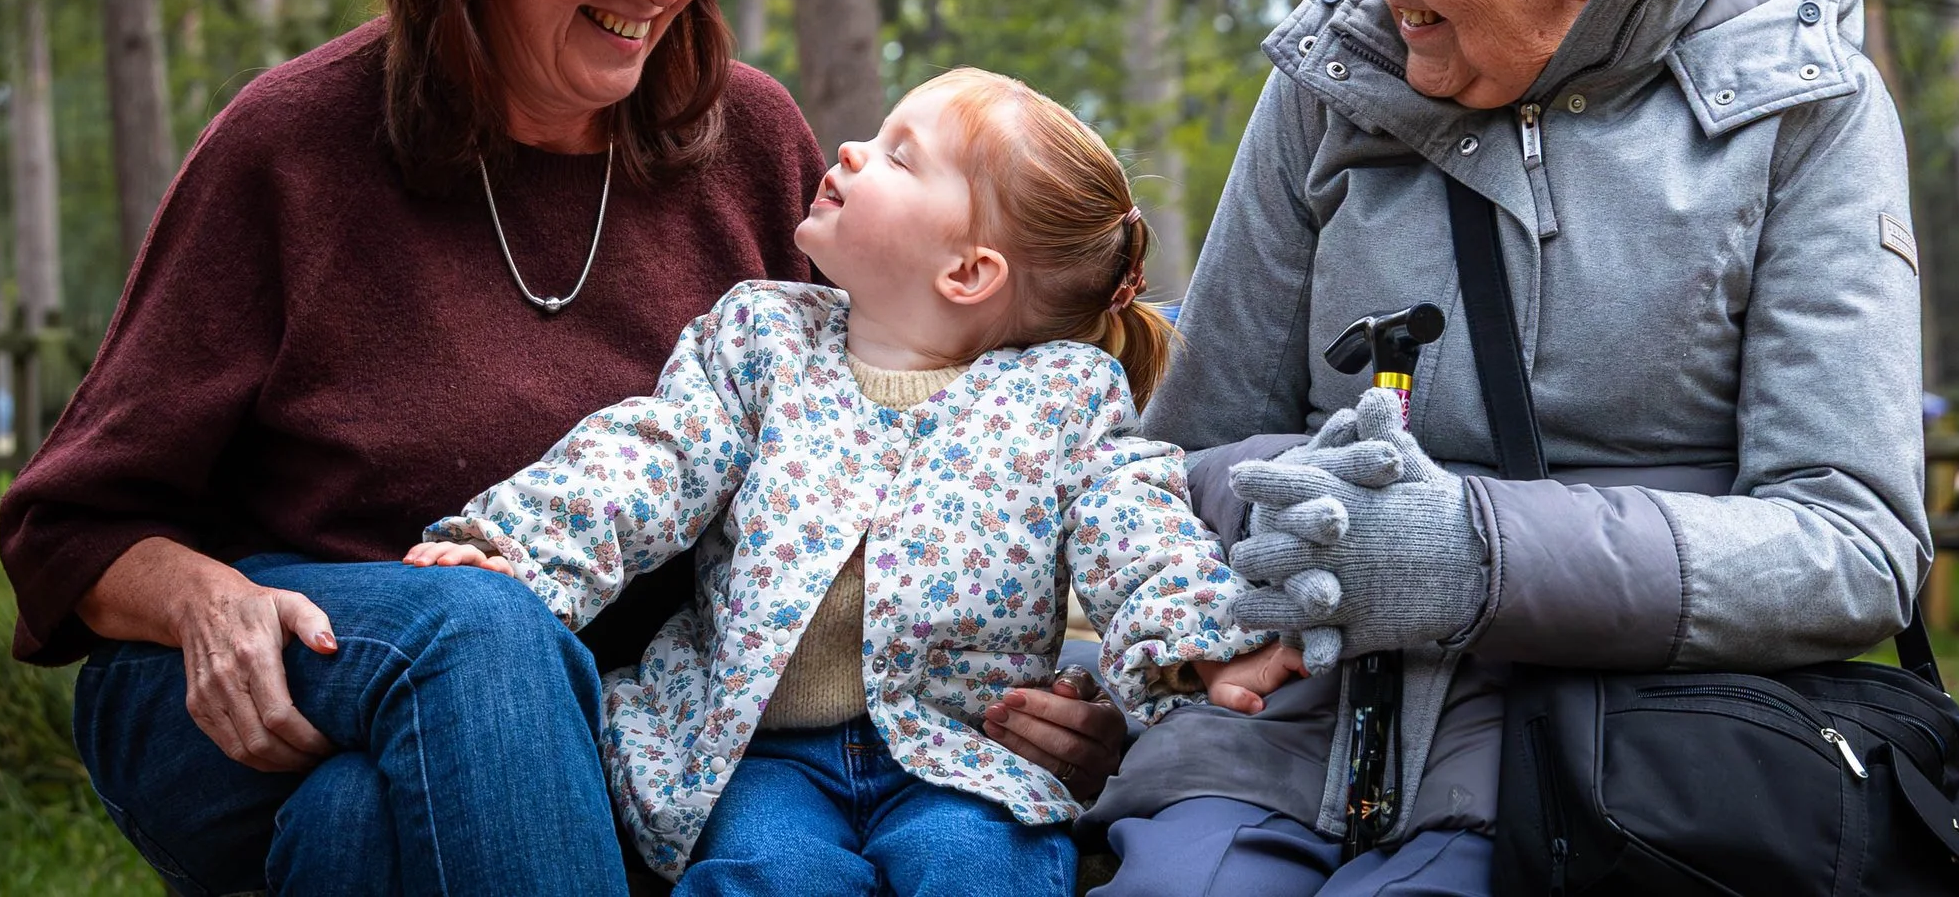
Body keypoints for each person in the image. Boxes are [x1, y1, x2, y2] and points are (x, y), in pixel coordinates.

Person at [0, 0, 1123, 897]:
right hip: (268, 684)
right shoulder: (291, 148)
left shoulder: (747, 145)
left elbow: (937, 444)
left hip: (613, 732)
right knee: (481, 631)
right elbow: (68, 529)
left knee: (358, 830)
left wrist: (1049, 700)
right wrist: (202, 595)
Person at [1086, 0, 1933, 897]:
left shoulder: (1807, 109)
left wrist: (1473, 552)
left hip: (1597, 763)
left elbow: (1853, 547)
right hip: (1272, 737)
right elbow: (1187, 460)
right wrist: (1160, 647)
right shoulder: (1335, 68)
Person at [408, 68, 1304, 897]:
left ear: (967, 271)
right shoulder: (763, 342)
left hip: (961, 755)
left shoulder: (1062, 399)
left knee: (982, 870)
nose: (849, 151)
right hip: (758, 753)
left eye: (898, 156)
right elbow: (651, 458)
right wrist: (516, 550)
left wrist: (1209, 641)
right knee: (767, 874)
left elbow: (1135, 524)